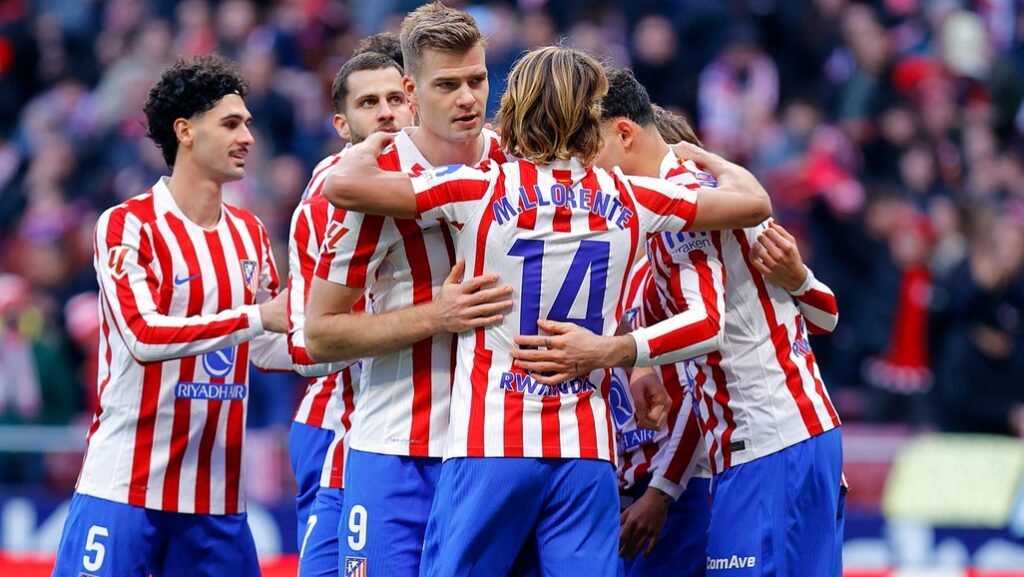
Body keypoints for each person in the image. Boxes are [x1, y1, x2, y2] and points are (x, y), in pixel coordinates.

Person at [321, 45, 771, 577]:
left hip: (492, 438)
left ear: (513, 109)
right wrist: (709, 160)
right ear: (591, 118)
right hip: (586, 446)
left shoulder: (478, 188)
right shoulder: (633, 197)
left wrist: (374, 141)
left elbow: (343, 187)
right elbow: (754, 203)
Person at [521, 68, 846, 576]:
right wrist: (639, 368)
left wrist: (607, 351)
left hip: (770, 443)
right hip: (782, 439)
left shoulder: (689, 205)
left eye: (589, 149)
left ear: (623, 133)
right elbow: (817, 314)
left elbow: (707, 324)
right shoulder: (701, 196)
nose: (585, 167)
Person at [52, 55, 290, 577]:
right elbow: (143, 336)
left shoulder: (250, 234)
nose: (247, 137)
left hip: (216, 500)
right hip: (124, 488)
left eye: (248, 123)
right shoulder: (127, 225)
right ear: (185, 131)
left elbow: (273, 346)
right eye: (231, 124)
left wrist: (357, 335)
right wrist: (257, 317)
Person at [303, 4, 513, 576]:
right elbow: (319, 334)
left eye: (477, 80)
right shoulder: (367, 183)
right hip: (399, 447)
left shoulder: (515, 162)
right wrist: (436, 315)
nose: (467, 99)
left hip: (499, 450)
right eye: (447, 85)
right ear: (412, 91)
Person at [286, 37, 415, 577]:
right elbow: (305, 346)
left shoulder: (463, 174)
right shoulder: (328, 199)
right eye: (369, 103)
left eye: (395, 98)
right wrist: (424, 321)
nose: (386, 112)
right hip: (340, 421)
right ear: (343, 124)